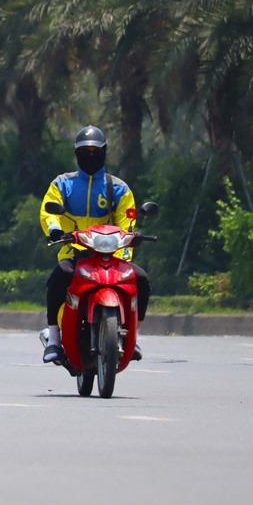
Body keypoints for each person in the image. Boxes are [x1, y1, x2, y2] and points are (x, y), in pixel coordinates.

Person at [39, 126, 150, 364]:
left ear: (104, 152)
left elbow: (127, 221)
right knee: (60, 275)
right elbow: (49, 212)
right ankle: (54, 339)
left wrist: (131, 238)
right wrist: (54, 229)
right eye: (84, 151)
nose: (90, 155)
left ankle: (133, 335)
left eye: (95, 151)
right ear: (77, 153)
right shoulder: (62, 184)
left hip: (112, 254)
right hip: (75, 252)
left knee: (140, 278)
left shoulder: (119, 188)